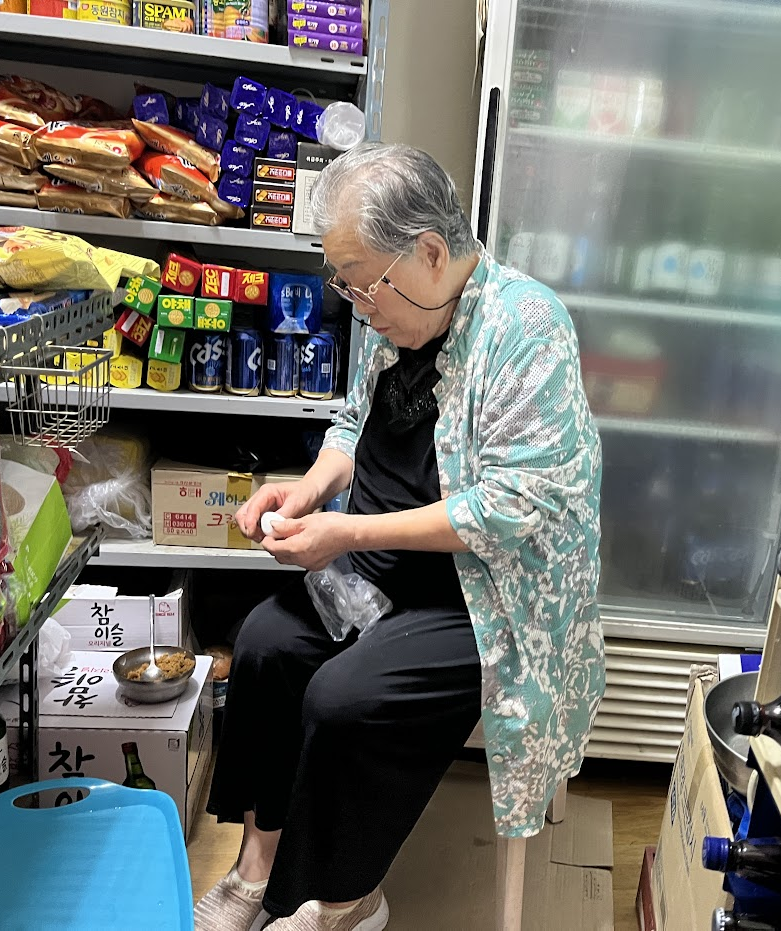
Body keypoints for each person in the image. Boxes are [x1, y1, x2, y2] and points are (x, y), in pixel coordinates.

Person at [195, 143, 604, 931]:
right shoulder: (396, 311)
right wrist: (309, 489)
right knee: (264, 646)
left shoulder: (524, 325)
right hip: (380, 565)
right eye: (342, 283)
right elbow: (352, 423)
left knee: (346, 700)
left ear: (429, 252)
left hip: (485, 591)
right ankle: (258, 866)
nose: (355, 303)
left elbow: (512, 506)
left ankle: (344, 897)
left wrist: (344, 528)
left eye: (361, 281)